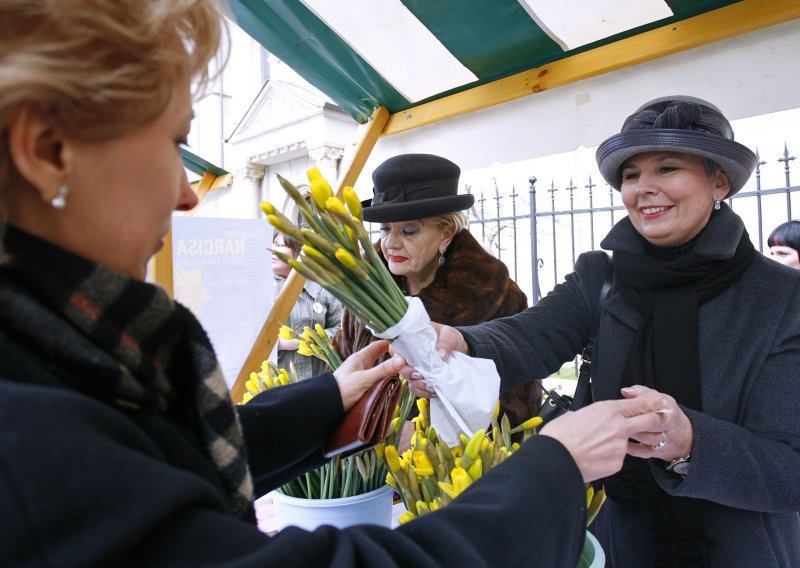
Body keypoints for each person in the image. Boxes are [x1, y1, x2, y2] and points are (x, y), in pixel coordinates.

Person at [0, 1, 673, 565]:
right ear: (48, 151)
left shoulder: (72, 356)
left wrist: (331, 396)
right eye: (174, 143)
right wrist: (552, 469)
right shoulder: (28, 429)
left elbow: (172, 453)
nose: (187, 194)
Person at [410, 95, 800, 567]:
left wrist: (689, 441)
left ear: (719, 181)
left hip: (740, 549)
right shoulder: (602, 277)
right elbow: (532, 334)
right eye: (631, 175)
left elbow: (790, 468)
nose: (644, 188)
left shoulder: (783, 298)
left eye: (668, 167)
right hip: (614, 541)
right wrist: (462, 341)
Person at [335, 153, 542, 427]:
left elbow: (517, 400)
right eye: (385, 229)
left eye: (408, 231)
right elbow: (339, 372)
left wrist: (428, 434)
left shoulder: (493, 294)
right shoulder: (364, 291)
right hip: (366, 462)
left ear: (445, 234)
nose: (390, 244)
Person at [272, 229, 343, 379]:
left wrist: (307, 341)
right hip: (276, 384)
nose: (273, 250)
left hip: (319, 380)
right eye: (272, 244)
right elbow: (247, 337)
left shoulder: (322, 288)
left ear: (298, 252)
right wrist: (279, 344)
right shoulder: (261, 289)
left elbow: (341, 330)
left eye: (280, 245)